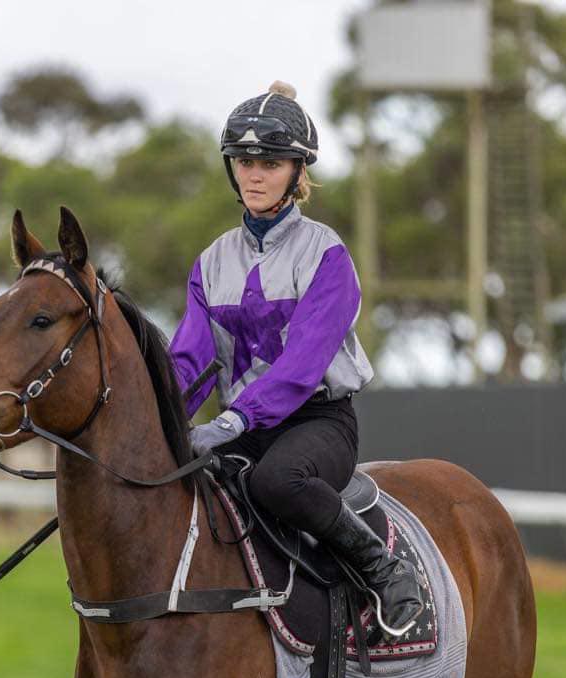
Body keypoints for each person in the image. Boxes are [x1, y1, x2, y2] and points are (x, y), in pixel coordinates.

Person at [168, 81, 422, 639]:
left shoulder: (326, 253)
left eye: (270, 162)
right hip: (242, 427)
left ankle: (385, 569)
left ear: (297, 171)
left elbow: (302, 365)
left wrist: (231, 421)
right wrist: (157, 420)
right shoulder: (210, 262)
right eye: (243, 161)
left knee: (277, 482)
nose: (254, 175)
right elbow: (188, 359)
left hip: (317, 422)